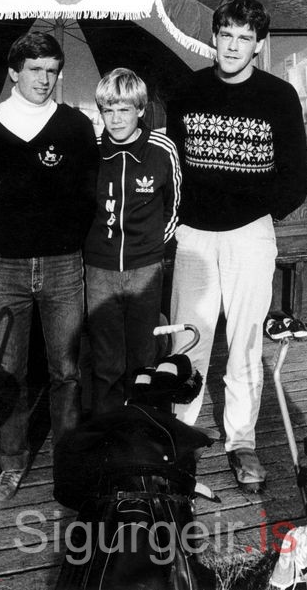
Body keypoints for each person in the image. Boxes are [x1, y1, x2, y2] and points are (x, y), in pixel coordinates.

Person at [166, 0, 307, 492]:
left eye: (244, 38)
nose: (232, 45)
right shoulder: (187, 91)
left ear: (258, 44)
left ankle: (242, 441)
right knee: (190, 339)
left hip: (250, 235)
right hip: (194, 237)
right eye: (226, 34)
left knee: (246, 343)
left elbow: (297, 176)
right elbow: (173, 168)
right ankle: (179, 435)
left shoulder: (278, 96)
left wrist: (255, 210)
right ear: (214, 36)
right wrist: (184, 218)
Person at [0, 31, 99, 500]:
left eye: (52, 70)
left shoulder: (75, 125)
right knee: (9, 372)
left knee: (66, 370)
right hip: (7, 268)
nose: (44, 79)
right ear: (13, 72)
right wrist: (9, 242)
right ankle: (13, 460)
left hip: (64, 265)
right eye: (35, 69)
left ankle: (69, 459)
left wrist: (65, 241)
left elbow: (87, 194)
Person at [84, 68, 181, 415]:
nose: (115, 119)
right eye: (108, 110)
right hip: (99, 269)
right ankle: (109, 430)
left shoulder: (162, 149)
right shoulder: (92, 150)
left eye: (124, 110)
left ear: (140, 109)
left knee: (144, 355)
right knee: (106, 359)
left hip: (146, 269)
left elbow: (174, 206)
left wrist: (151, 246)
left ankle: (145, 425)